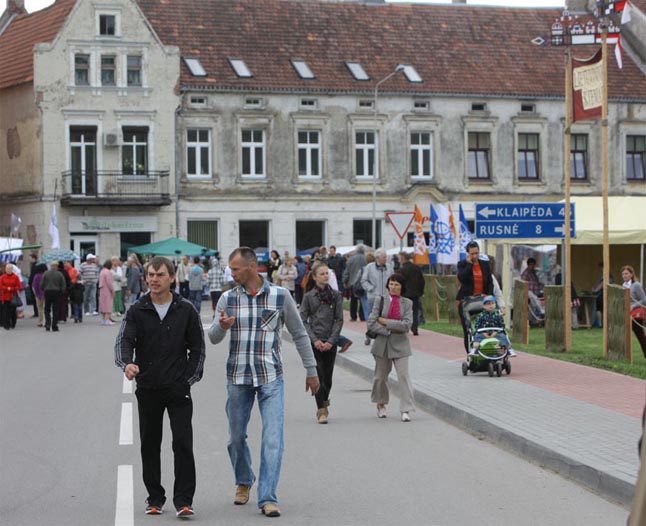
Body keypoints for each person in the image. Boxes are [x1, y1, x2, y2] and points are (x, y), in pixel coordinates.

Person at [208, 247, 319, 518]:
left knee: (272, 439)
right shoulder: (227, 298)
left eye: (235, 269)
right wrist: (222, 326)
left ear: (251, 267)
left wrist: (311, 369)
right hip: (238, 377)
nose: (231, 274)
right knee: (236, 437)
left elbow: (299, 334)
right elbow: (213, 337)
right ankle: (244, 479)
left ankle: (267, 496)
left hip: (271, 377)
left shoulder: (280, 296)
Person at [115, 256, 205, 518]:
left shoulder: (186, 309)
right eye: (150, 275)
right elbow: (124, 341)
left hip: (178, 389)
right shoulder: (137, 309)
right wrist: (127, 364)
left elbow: (198, 348)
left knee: (183, 443)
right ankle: (154, 498)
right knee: (150, 444)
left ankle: (184, 500)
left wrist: (188, 380)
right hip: (148, 388)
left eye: (160, 275)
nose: (154, 279)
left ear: (172, 278)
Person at [299, 261, 344, 424]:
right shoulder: (308, 296)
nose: (325, 276)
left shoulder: (336, 295)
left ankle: (324, 401)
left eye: (327, 273)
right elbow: (303, 320)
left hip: (330, 340)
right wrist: (314, 339)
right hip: (315, 341)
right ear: (314, 277)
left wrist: (331, 341)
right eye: (322, 274)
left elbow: (339, 319)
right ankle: (321, 410)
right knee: (318, 374)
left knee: (328, 377)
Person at [367, 273, 415, 422]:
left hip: (401, 345)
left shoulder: (407, 303)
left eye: (397, 285)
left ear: (402, 287)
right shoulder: (380, 300)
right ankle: (381, 404)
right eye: (391, 284)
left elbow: (406, 325)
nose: (393, 287)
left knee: (403, 376)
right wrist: (388, 330)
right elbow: (371, 323)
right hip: (382, 344)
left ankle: (406, 409)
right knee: (380, 377)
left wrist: (386, 322)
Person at [457, 241, 494, 353]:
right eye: (472, 254)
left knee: (486, 325)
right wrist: (469, 265)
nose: (475, 256)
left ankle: (487, 350)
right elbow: (462, 278)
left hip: (483, 300)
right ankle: (470, 352)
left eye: (477, 253)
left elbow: (490, 282)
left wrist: (490, 297)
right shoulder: (462, 264)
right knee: (468, 328)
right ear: (468, 254)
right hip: (467, 301)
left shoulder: (485, 265)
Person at [361, 248, 393, 344]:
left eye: (386, 257)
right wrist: (370, 288)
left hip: (386, 297)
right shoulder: (369, 267)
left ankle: (382, 336)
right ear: (378, 258)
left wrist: (391, 290)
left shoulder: (389, 267)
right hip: (373, 297)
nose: (386, 259)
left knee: (384, 317)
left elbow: (393, 279)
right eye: (384, 257)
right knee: (372, 317)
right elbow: (364, 280)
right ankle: (369, 335)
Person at [396, 251, 425, 336]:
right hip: (415, 293)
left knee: (404, 311)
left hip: (405, 293)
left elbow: (399, 282)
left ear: (402, 259)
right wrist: (421, 291)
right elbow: (422, 281)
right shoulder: (416, 268)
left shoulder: (401, 270)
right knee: (414, 311)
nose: (398, 260)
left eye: (399, 258)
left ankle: (405, 327)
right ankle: (414, 328)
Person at [622, 265, 646, 360]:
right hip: (626, 314)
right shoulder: (623, 285)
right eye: (623, 274)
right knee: (624, 335)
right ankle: (625, 356)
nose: (624, 275)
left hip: (635, 314)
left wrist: (633, 306)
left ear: (631, 274)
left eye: (626, 273)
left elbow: (643, 299)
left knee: (640, 336)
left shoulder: (636, 285)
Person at [343, 245, 367, 322]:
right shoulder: (366, 259)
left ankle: (353, 316)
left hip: (353, 283)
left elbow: (347, 271)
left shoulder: (351, 259)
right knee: (363, 300)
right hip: (364, 282)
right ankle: (362, 316)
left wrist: (345, 281)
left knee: (353, 300)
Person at [41, 261, 66, 332]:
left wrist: (44, 289)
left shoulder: (46, 273)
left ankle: (48, 324)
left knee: (47, 309)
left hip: (47, 291)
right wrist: (61, 292)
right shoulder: (60, 274)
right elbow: (63, 284)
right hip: (56, 292)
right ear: (57, 266)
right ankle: (54, 325)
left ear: (51, 266)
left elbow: (42, 284)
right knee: (56, 309)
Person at [0, 263, 23, 330]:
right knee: (6, 311)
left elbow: (19, 286)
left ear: (12, 269)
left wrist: (12, 288)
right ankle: (6, 324)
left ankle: (13, 323)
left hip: (13, 297)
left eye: (10, 269)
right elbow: (1, 286)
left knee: (12, 311)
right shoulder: (2, 277)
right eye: (7, 269)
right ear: (5, 269)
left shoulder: (15, 277)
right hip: (5, 297)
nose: (8, 270)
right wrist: (7, 288)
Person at [99, 259, 115, 326]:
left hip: (102, 289)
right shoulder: (108, 272)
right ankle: (107, 320)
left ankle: (103, 320)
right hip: (107, 290)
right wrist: (112, 290)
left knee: (103, 304)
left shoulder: (102, 271)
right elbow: (109, 283)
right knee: (108, 304)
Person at [28, 253, 39, 318]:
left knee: (35, 299)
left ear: (33, 258)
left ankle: (37, 312)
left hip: (34, 285)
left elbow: (34, 276)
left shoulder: (36, 266)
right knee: (34, 299)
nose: (29, 259)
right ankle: (36, 312)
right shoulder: (33, 265)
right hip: (32, 284)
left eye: (30, 258)